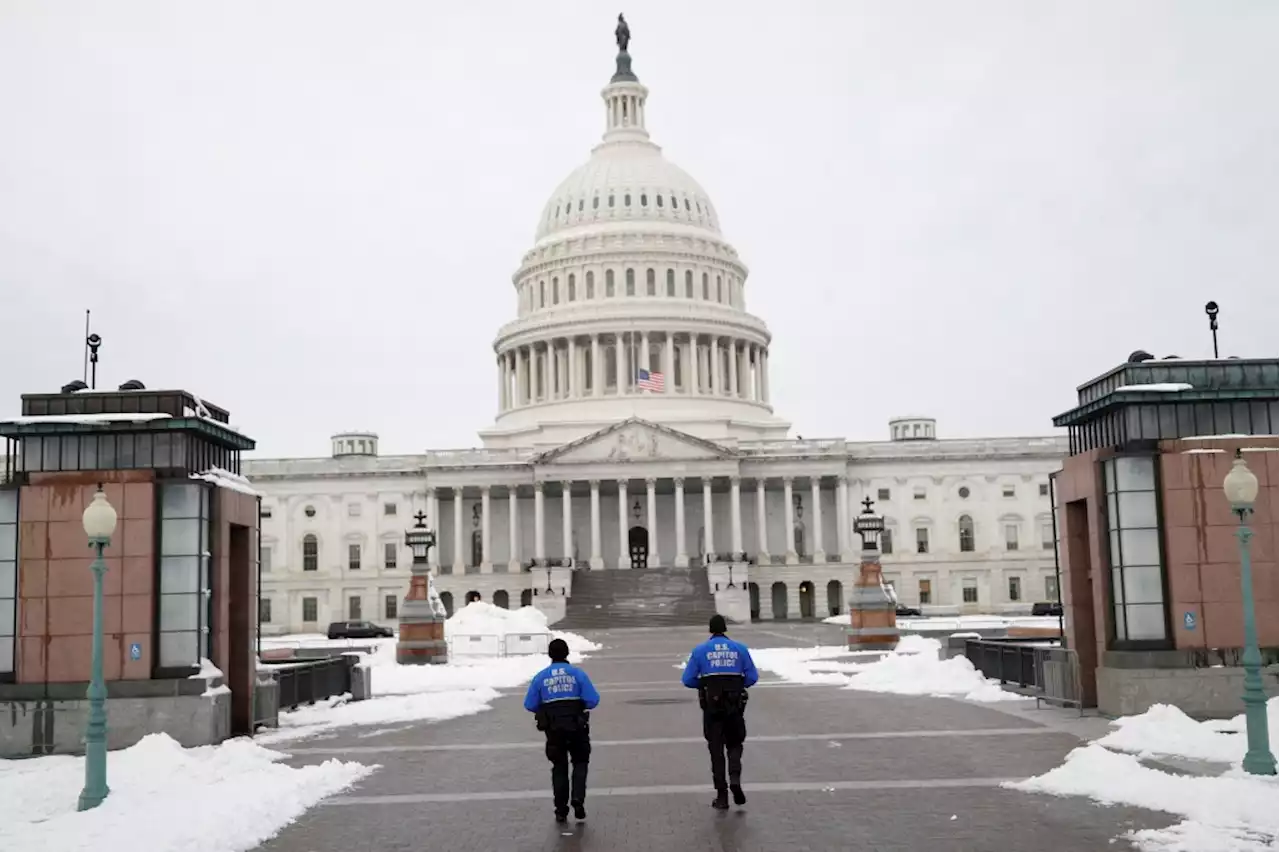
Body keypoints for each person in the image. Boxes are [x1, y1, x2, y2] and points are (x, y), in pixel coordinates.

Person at [681, 614, 759, 810]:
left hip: (712, 708)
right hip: (734, 707)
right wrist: (736, 684)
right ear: (725, 629)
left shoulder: (700, 651)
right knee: (734, 745)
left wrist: (706, 684)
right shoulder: (740, 649)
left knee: (716, 751)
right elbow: (752, 677)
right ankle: (735, 778)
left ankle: (722, 796)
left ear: (710, 630)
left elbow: (687, 679)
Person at [524, 637, 601, 823]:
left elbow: (529, 704)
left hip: (553, 730)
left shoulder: (541, 677)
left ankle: (560, 809)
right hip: (577, 727)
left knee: (559, 767)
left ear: (550, 655)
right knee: (580, 762)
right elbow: (593, 700)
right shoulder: (577, 674)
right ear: (567, 653)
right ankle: (578, 798)